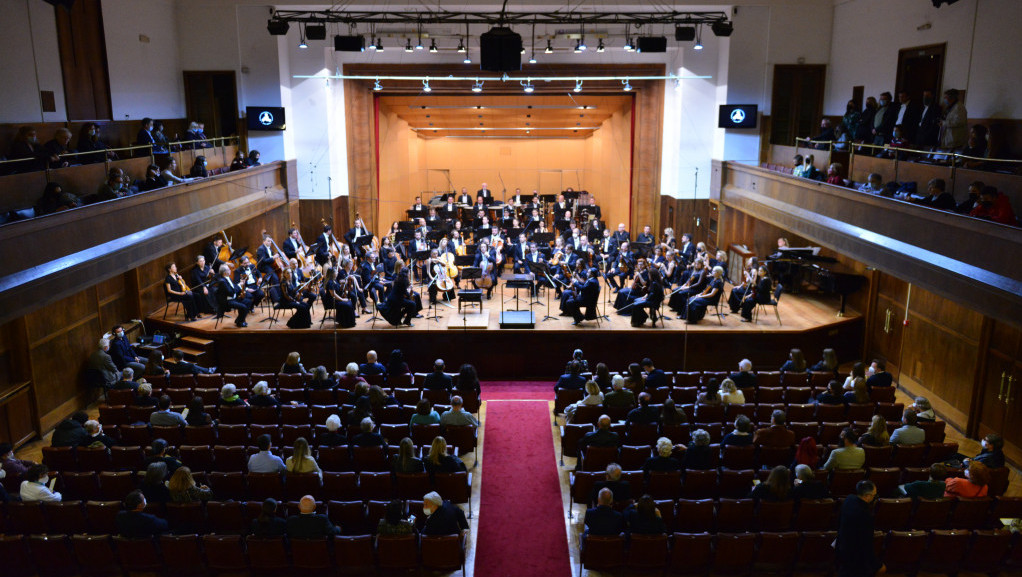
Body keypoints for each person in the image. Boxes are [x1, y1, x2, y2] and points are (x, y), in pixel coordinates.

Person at [837, 480, 883, 577]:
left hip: (842, 546)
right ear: (867, 496)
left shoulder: (849, 499)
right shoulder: (865, 516)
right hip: (856, 556)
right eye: (874, 495)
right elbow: (867, 543)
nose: (875, 498)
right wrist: (875, 563)